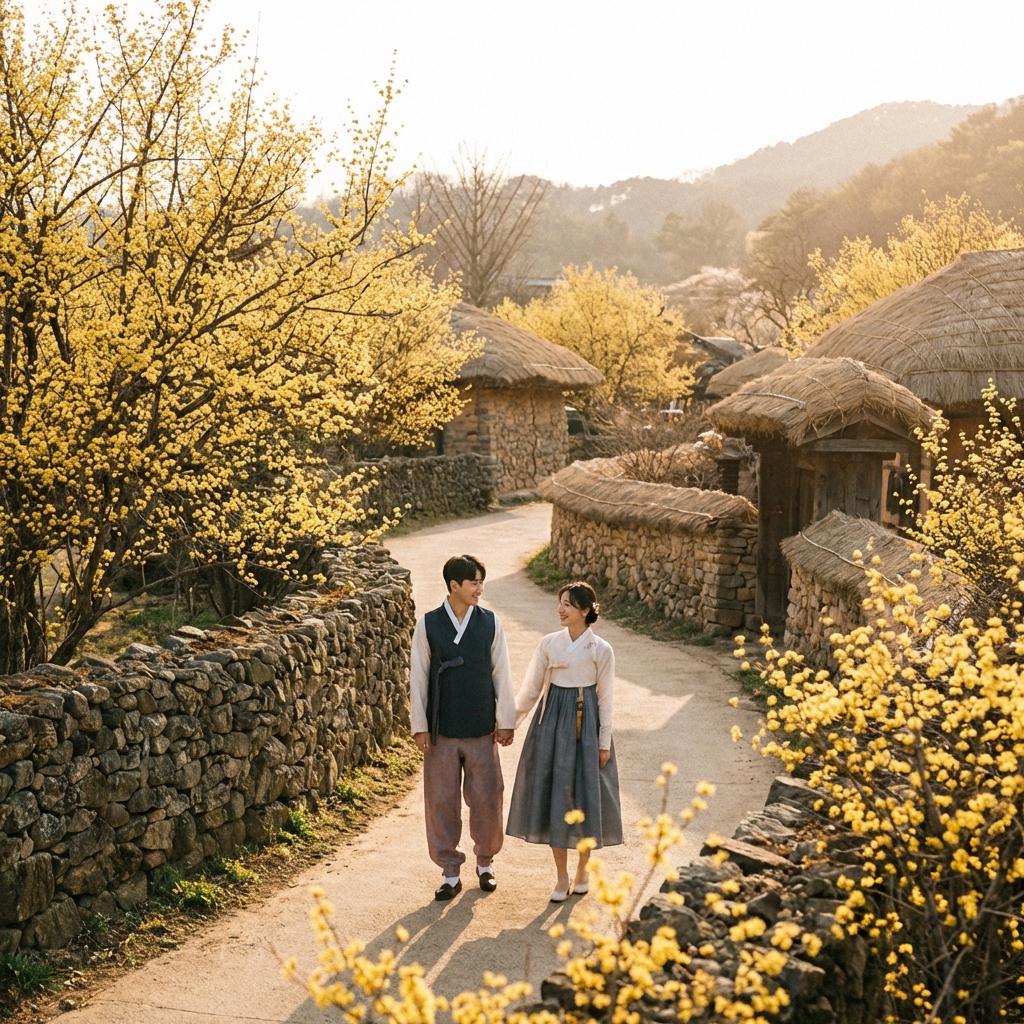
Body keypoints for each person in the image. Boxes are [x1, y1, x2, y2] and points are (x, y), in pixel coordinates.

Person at [506, 581, 622, 902]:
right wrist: (509, 723)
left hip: (586, 725)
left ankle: (583, 869)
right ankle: (560, 875)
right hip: (552, 726)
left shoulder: (601, 650)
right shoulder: (549, 645)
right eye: (560, 603)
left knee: (585, 797)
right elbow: (531, 689)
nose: (561, 609)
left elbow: (606, 699)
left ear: (585, 610)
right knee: (555, 797)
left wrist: (603, 743)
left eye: (568, 604)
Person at [409, 554, 516, 900]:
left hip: (481, 724)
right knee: (441, 800)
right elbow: (419, 677)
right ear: (454, 585)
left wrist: (505, 721)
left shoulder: (490, 622)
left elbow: (501, 672)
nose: (479, 589)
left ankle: (485, 863)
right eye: (474, 582)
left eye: (481, 582)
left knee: (487, 797)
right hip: (441, 728)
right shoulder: (428, 624)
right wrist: (420, 726)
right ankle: (450, 871)